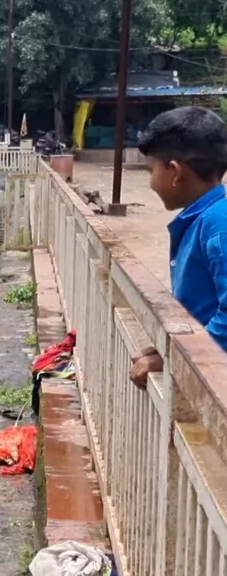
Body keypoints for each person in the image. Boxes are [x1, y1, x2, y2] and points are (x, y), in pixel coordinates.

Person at [130, 107, 227, 388]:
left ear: (174, 172)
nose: (150, 183)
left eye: (151, 170)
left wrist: (177, 358)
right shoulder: (204, 220)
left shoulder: (217, 224)